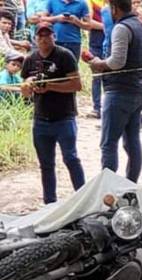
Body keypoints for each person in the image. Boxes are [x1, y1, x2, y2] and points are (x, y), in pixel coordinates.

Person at [20, 23, 86, 204]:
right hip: (40, 119)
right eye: (40, 36)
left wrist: (49, 86)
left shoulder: (65, 56)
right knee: (46, 165)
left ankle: (83, 197)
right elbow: (25, 91)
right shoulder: (30, 59)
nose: (44, 39)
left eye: (47, 35)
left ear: (54, 37)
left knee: (71, 158)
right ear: (35, 39)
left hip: (64, 117)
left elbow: (76, 85)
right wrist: (29, 85)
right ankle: (50, 203)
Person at [88, 0, 142, 183]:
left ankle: (109, 187)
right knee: (132, 141)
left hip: (119, 91)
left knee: (109, 143)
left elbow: (117, 62)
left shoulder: (121, 28)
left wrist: (99, 64)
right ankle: (131, 184)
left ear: (115, 9)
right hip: (138, 89)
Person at [86, 0, 106, 118]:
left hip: (110, 42)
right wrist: (107, 26)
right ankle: (97, 107)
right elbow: (89, 22)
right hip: (96, 42)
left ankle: (108, 107)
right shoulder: (91, 2)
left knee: (110, 76)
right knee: (96, 76)